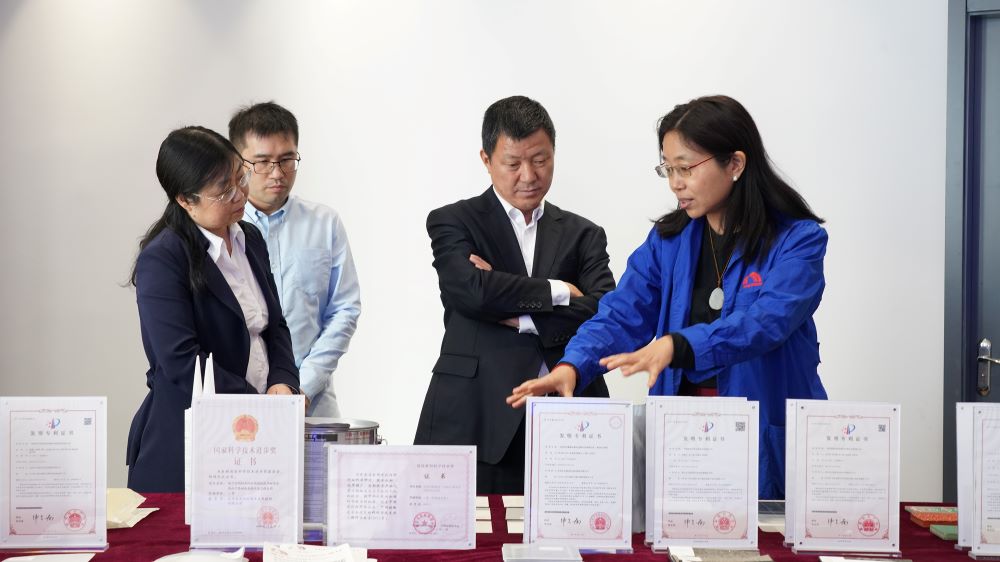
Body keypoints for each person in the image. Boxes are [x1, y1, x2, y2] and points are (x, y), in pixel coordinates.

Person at [507, 95, 828, 499]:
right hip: (683, 435)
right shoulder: (669, 240)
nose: (675, 182)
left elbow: (766, 322)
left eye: (685, 168)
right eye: (668, 169)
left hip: (764, 430)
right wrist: (573, 364)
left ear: (735, 164)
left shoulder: (798, 240)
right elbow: (622, 314)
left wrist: (677, 345)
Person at [414, 95, 617, 494]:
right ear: (486, 159)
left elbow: (603, 311)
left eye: (540, 160)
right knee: (468, 530)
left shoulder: (584, 234)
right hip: (476, 411)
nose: (529, 175)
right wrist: (559, 291)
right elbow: (472, 292)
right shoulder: (453, 221)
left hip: (569, 411)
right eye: (513, 163)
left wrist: (517, 312)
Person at [126, 126, 301, 493]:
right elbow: (181, 361)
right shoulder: (163, 259)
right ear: (185, 200)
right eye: (224, 190)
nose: (240, 194)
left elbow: (274, 324)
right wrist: (260, 406)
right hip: (192, 441)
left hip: (259, 434)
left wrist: (282, 383)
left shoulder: (249, 238)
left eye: (240, 177)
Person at [231, 102, 361, 418]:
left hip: (312, 401)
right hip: (239, 400)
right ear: (238, 162)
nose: (277, 173)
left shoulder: (324, 223)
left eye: (287, 159)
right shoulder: (226, 230)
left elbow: (344, 309)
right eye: (263, 162)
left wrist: (303, 385)